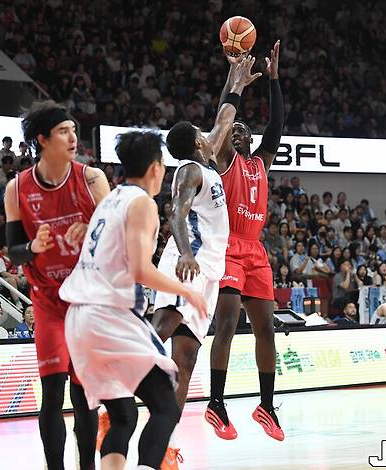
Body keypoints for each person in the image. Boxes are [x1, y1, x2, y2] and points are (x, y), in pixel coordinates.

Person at [60, 131, 207, 470]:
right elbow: (141, 269)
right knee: (165, 405)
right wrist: (187, 291)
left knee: (123, 416)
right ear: (156, 168)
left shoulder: (111, 199)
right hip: (107, 317)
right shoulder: (142, 203)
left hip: (79, 320)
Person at [151, 56, 260, 465]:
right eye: (202, 133)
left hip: (209, 269)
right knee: (162, 328)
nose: (209, 133)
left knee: (186, 359)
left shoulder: (207, 159)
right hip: (189, 261)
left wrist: (237, 80)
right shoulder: (188, 172)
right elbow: (176, 216)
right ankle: (112, 397)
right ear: (198, 142)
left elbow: (225, 117)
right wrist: (184, 252)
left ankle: (162, 443)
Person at [4, 100, 110, 470]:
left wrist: (94, 226)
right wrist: (33, 247)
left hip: (86, 301)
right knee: (52, 391)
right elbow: (14, 251)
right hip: (48, 301)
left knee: (84, 394)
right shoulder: (17, 188)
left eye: (74, 130)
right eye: (63, 131)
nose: (72, 137)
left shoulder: (92, 179)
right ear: (43, 139)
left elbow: (121, 235)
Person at [208, 40, 285, 442]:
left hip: (255, 251)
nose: (235, 133)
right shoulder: (226, 161)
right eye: (232, 131)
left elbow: (277, 126)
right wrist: (233, 81)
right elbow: (223, 118)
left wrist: (274, 80)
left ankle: (266, 405)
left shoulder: (260, 163)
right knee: (226, 324)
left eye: (242, 131)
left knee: (266, 330)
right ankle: (216, 403)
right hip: (228, 247)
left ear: (251, 140)